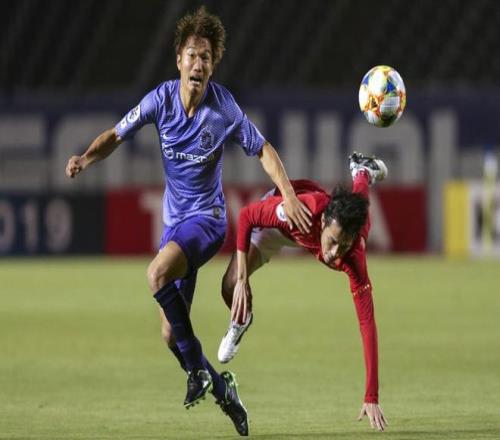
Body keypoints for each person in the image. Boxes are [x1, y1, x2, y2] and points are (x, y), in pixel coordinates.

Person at [65, 6, 311, 437]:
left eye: (207, 58)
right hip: (175, 226)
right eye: (193, 55)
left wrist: (288, 195)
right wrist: (85, 158)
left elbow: (263, 150)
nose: (199, 64)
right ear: (178, 59)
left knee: (155, 274)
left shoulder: (223, 108)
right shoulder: (159, 101)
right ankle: (223, 389)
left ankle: (197, 372)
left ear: (214, 65)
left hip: (208, 222)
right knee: (169, 335)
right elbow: (116, 135)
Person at [218, 152, 388, 432]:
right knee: (230, 284)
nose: (334, 254)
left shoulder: (353, 251)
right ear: (323, 224)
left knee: (360, 210)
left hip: (312, 229)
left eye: (343, 246)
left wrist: (371, 396)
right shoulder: (298, 212)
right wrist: (243, 281)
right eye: (333, 242)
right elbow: (247, 215)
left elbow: (367, 323)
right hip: (281, 225)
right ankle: (242, 320)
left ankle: (362, 172)